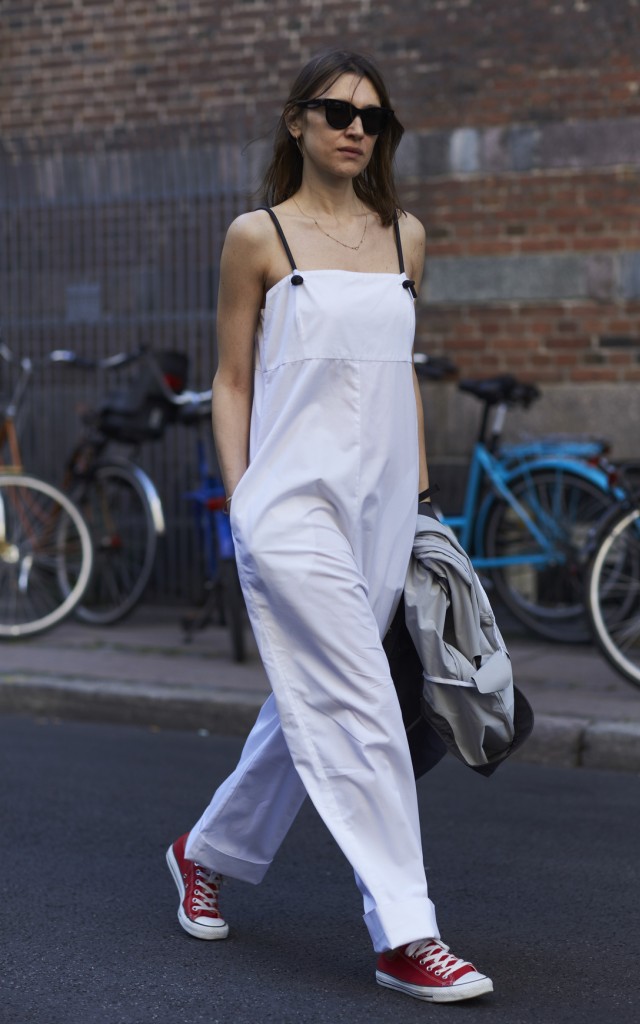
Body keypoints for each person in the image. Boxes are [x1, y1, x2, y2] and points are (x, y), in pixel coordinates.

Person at [166, 48, 493, 1005]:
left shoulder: (407, 239)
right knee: (364, 710)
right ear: (296, 122)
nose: (357, 130)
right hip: (290, 506)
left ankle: (204, 850)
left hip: (387, 515)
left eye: (374, 120)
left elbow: (400, 386)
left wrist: (428, 510)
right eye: (337, 113)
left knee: (308, 704)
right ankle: (406, 932)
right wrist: (243, 507)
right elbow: (230, 384)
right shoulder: (256, 236)